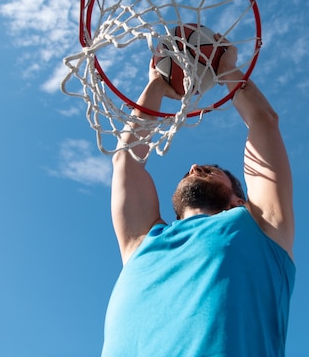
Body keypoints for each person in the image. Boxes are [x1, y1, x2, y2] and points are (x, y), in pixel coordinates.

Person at [101, 35, 295, 357]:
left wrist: (225, 69)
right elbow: (126, 160)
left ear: (239, 200)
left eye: (213, 169)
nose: (194, 166)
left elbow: (264, 121)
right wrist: (158, 84)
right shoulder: (141, 243)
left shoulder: (262, 227)